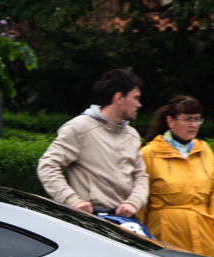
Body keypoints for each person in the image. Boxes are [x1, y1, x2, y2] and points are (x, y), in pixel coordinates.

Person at [37, 68, 149, 218]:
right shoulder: (80, 128)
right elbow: (47, 166)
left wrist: (133, 202)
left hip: (126, 223)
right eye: (136, 98)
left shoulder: (132, 135)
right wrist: (72, 201)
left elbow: (141, 176)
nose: (139, 104)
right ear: (119, 98)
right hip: (91, 222)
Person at [139, 95, 214, 257]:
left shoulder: (205, 151)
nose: (194, 125)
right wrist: (140, 239)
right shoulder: (149, 153)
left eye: (197, 119)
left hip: (203, 235)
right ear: (170, 122)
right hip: (164, 235)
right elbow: (140, 202)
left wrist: (213, 225)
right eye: (188, 119)